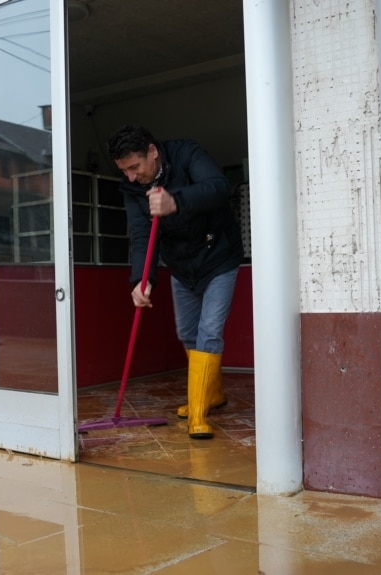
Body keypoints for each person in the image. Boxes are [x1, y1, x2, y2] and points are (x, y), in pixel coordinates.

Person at [107, 125, 243, 440]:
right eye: (123, 170)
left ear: (152, 152)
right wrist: (141, 279)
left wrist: (175, 200)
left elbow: (217, 186)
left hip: (218, 256)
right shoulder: (132, 188)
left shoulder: (186, 154)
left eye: (134, 167)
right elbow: (142, 235)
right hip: (181, 265)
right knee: (187, 333)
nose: (130, 176)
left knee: (209, 332)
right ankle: (212, 395)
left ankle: (198, 415)